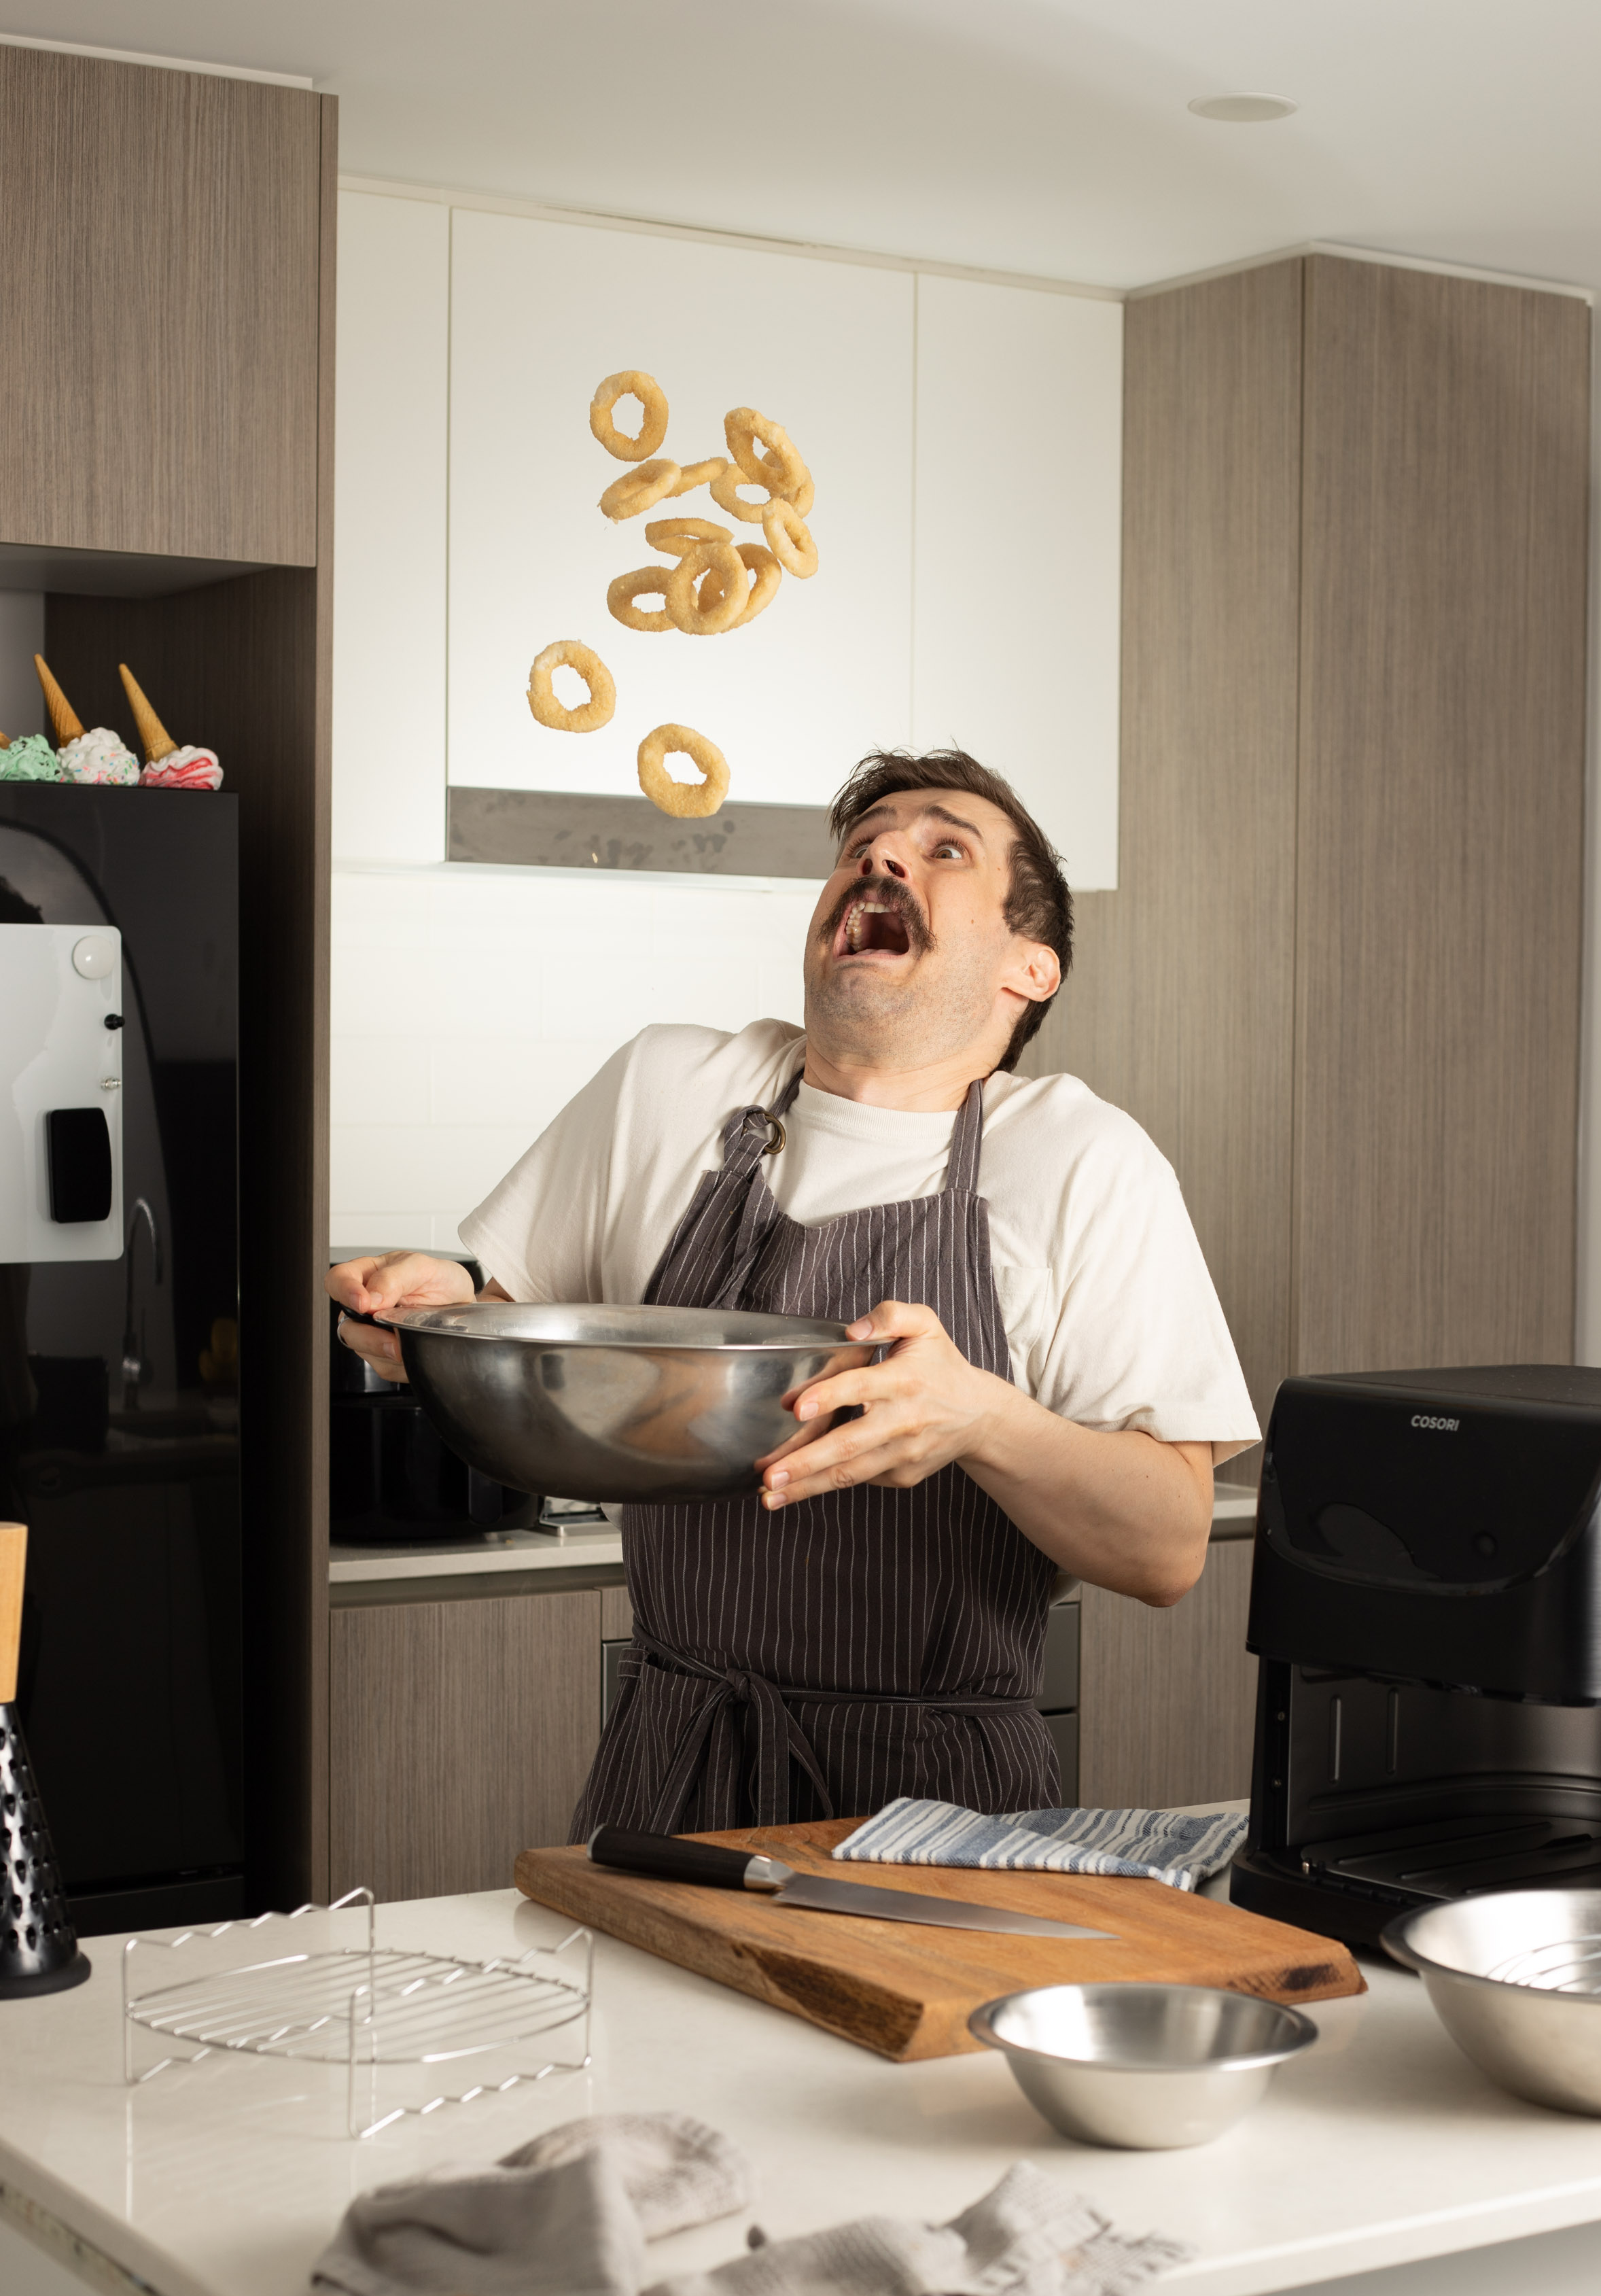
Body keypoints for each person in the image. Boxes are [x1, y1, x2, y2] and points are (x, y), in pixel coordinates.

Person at [329, 748, 1259, 1834]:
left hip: (941, 1805)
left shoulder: (1077, 1159)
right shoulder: (674, 1087)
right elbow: (519, 1323)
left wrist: (983, 1420)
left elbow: (1166, 1547)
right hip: (667, 1771)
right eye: (863, 847)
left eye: (942, 847)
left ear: (1029, 967)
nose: (880, 859)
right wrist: (440, 1306)